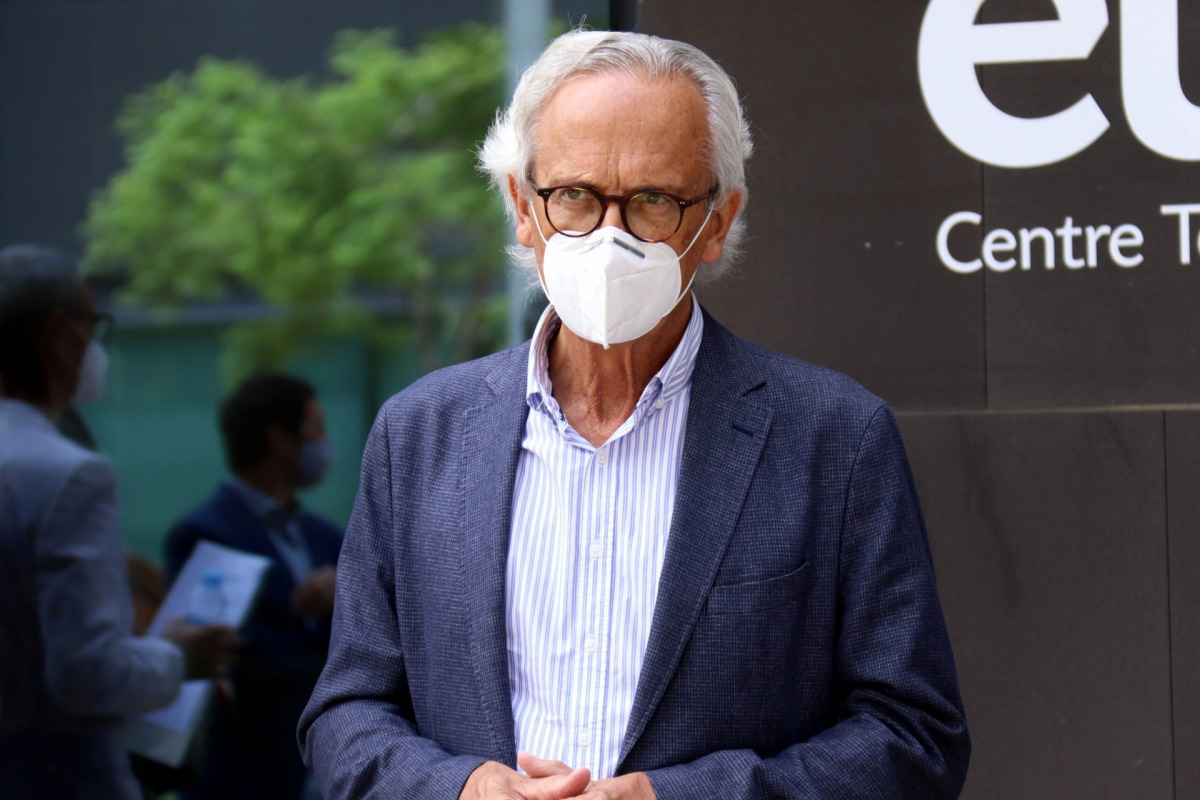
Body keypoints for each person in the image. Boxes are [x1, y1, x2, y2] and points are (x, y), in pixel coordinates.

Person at [298, 29, 970, 800]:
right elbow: (347, 712)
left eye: (654, 201)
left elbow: (914, 736)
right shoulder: (419, 435)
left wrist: (671, 798)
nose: (609, 236)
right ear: (522, 207)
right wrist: (463, 789)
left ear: (718, 222)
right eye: (575, 196)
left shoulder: (833, 437)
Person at [0, 244, 238, 800]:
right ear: (58, 333)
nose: (95, 349)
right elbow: (87, 672)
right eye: (93, 326)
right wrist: (178, 656)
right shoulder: (71, 475)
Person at [165, 373, 342, 800]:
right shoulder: (203, 535)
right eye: (315, 427)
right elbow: (230, 654)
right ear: (280, 440)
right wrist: (302, 616)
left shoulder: (325, 536)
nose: (325, 442)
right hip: (244, 774)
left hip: (326, 768)